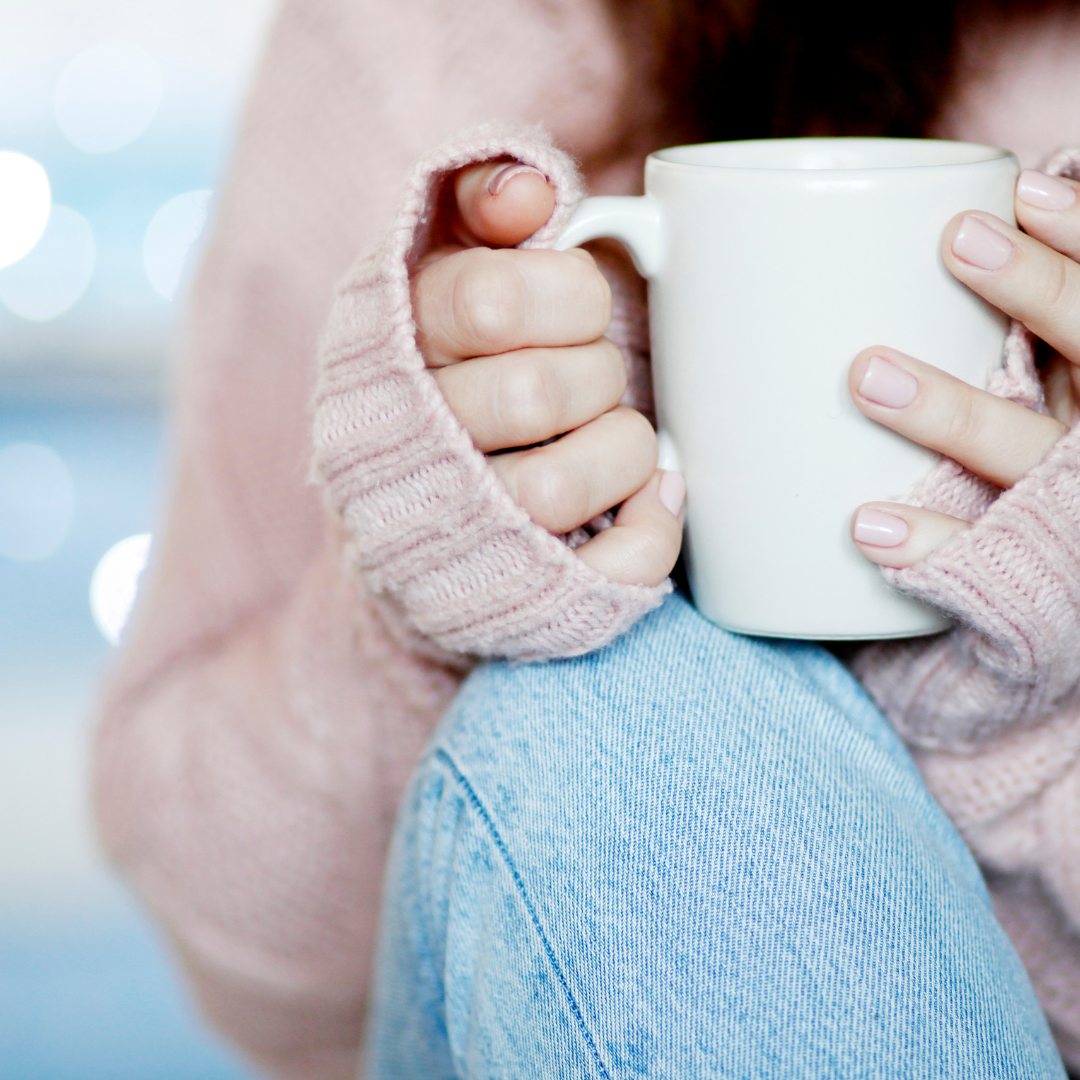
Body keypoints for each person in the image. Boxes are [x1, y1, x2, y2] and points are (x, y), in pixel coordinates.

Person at [92, 0, 1080, 1076]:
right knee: (619, 698)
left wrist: (1040, 692)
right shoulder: (417, 37)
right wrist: (424, 599)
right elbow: (229, 953)